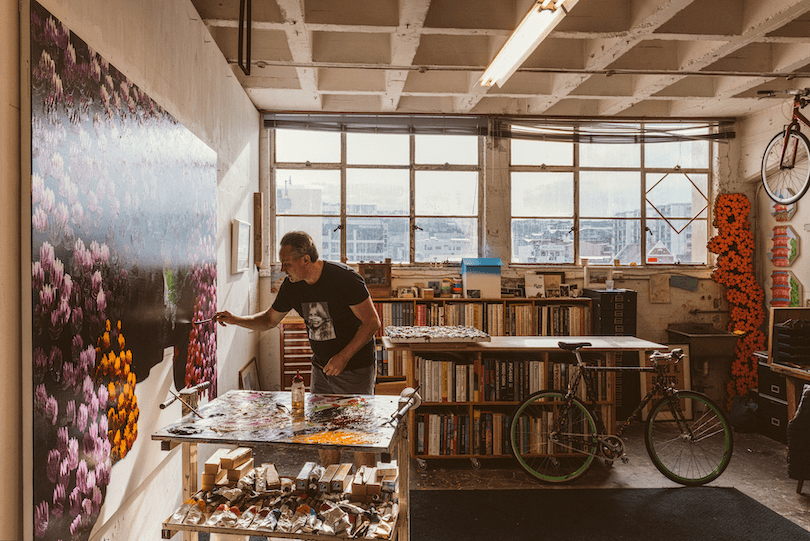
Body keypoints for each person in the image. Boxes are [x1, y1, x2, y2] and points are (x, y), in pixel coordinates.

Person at [215, 230, 381, 396]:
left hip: (354, 369)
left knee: (353, 420)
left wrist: (343, 357)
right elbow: (269, 320)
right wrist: (236, 320)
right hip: (321, 369)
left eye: (287, 263)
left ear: (306, 260)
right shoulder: (291, 286)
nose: (282, 269)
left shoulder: (344, 279)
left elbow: (372, 322)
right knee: (317, 419)